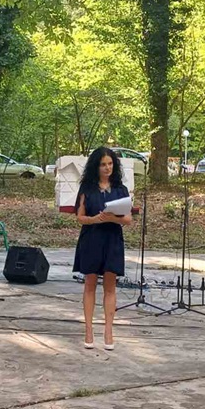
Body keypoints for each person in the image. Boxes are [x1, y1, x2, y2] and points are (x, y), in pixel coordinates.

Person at [73, 147, 132, 350]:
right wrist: (95, 219)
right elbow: (80, 217)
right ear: (96, 166)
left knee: (110, 286)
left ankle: (108, 330)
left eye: (110, 164)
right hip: (92, 238)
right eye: (103, 164)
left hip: (112, 238)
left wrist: (113, 218)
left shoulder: (121, 189)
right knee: (90, 283)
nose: (107, 168)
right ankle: (89, 330)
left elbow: (128, 219)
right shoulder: (87, 189)